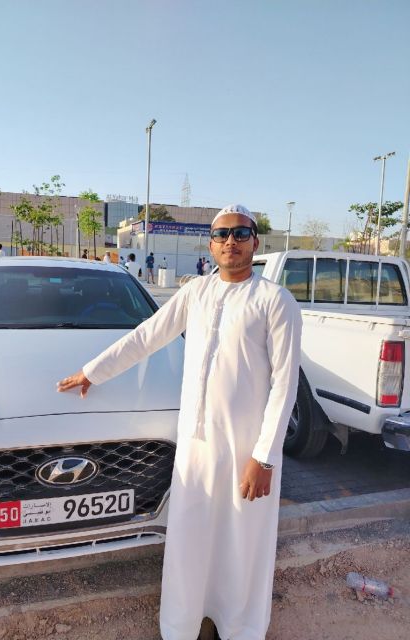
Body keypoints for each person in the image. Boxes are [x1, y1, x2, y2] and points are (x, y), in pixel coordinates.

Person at [57, 203, 302, 640]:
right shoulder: (195, 293)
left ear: (255, 242)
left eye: (240, 233)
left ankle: (239, 627)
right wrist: (93, 371)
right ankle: (182, 625)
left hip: (247, 451)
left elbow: (285, 385)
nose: (230, 241)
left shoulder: (275, 301)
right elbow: (147, 336)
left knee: (243, 542)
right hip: (196, 448)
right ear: (210, 244)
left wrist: (264, 457)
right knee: (190, 539)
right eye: (222, 234)